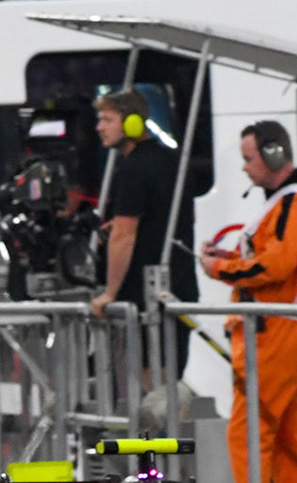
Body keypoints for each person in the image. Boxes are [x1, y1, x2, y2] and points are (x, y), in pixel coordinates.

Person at [199, 120, 297, 483]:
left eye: (249, 158)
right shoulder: (296, 202)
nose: (244, 167)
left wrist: (221, 268)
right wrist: (231, 259)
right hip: (292, 330)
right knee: (290, 441)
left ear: (274, 155)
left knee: (248, 434)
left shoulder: (291, 205)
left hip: (274, 333)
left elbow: (276, 264)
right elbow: (276, 260)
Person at [92, 85, 199, 374]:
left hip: (147, 294)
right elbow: (180, 216)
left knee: (154, 381)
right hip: (181, 285)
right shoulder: (174, 160)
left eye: (107, 120)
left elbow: (124, 236)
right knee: (171, 377)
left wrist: (110, 292)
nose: (100, 127)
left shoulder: (132, 169)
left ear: (132, 123)